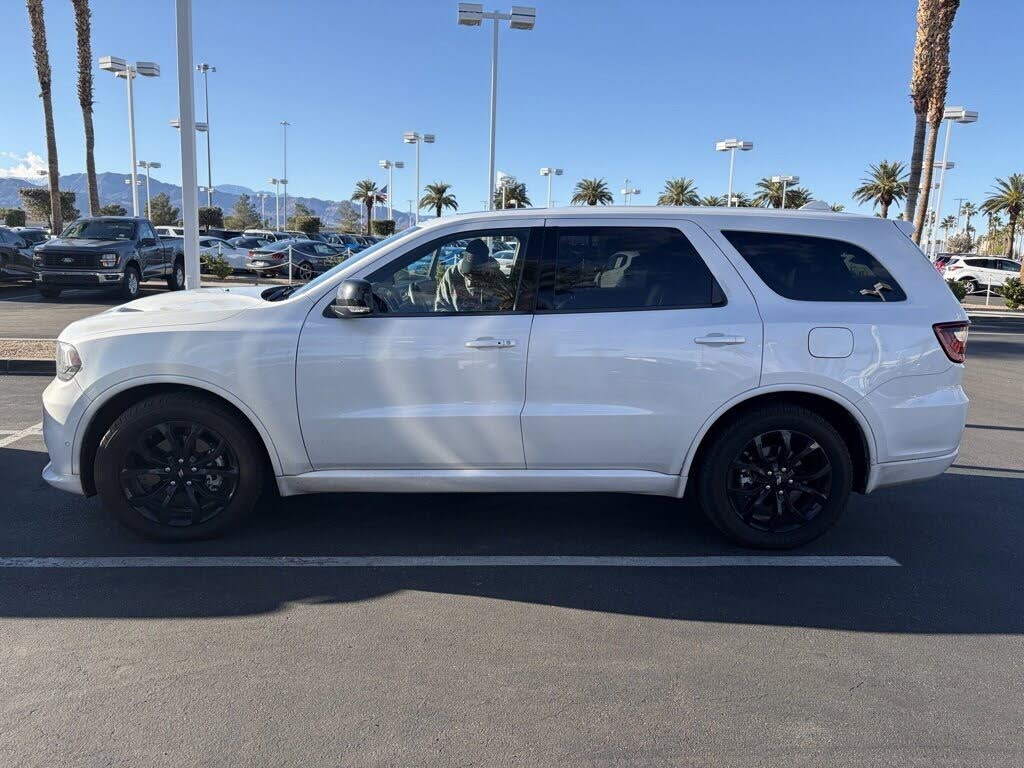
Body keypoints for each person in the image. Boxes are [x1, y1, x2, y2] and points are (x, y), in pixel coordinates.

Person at [434, 238, 512, 311]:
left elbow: (508, 305)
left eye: (480, 267)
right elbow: (441, 306)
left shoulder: (496, 275)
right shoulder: (452, 273)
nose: (476, 271)